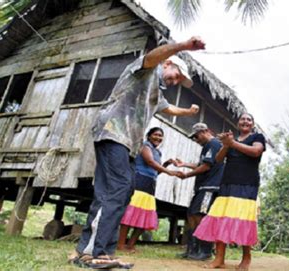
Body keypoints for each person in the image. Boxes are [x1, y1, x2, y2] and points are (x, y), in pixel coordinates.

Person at [71, 37, 205, 269]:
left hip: (127, 143)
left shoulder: (156, 92)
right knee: (116, 189)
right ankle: (93, 251)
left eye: (179, 80)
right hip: (112, 132)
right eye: (176, 74)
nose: (175, 81)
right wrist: (183, 46)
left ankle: (96, 250)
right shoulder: (147, 69)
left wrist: (188, 112)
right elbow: (154, 56)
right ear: (167, 63)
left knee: (123, 192)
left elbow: (168, 108)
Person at [194, 113, 266, 270]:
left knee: (243, 220)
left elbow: (255, 152)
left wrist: (232, 143)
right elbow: (218, 160)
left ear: (252, 124)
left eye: (249, 119)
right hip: (227, 183)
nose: (245, 121)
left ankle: (246, 258)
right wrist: (226, 145)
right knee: (220, 218)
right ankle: (219, 258)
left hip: (247, 184)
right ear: (238, 123)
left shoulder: (257, 137)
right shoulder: (230, 140)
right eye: (242, 119)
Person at [117, 127, 180, 252]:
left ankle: (131, 245)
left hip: (150, 186)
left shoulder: (158, 152)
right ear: (149, 136)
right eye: (156, 135)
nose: (158, 138)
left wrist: (166, 164)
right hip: (139, 182)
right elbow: (150, 162)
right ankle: (120, 245)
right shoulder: (145, 146)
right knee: (130, 215)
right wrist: (169, 171)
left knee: (145, 217)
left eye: (160, 136)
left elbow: (155, 172)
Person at [173, 123, 225, 260]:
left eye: (197, 136)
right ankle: (192, 249)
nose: (196, 139)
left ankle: (205, 250)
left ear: (206, 131)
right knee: (191, 214)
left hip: (210, 187)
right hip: (202, 186)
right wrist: (183, 164)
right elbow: (201, 164)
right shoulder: (207, 147)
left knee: (200, 215)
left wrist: (186, 175)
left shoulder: (214, 144)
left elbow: (206, 167)